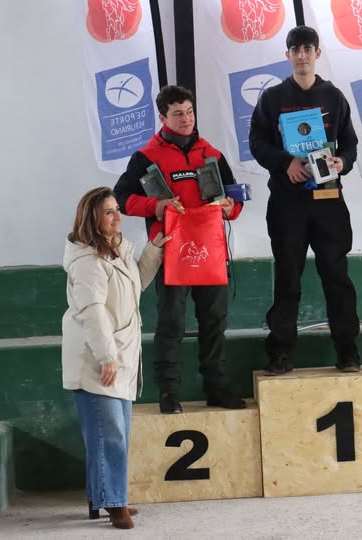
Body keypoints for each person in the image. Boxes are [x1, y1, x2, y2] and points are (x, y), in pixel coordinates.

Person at [113, 85, 245, 415]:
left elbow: (234, 199)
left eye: (189, 112)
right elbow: (120, 199)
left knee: (215, 320)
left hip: (211, 252)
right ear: (162, 118)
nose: (185, 119)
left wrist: (231, 206)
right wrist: (155, 206)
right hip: (170, 252)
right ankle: (168, 393)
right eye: (177, 114)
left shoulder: (211, 153)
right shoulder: (145, 157)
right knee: (170, 324)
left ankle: (216, 388)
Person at [248, 25, 361, 375]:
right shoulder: (272, 98)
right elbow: (257, 143)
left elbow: (350, 143)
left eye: (307, 49)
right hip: (287, 203)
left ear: (317, 53)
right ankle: (281, 353)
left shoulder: (334, 96)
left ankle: (347, 351)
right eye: (295, 49)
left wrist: (344, 162)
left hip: (328, 200)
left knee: (337, 277)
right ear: (287, 55)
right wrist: (287, 163)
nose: (301, 55)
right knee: (287, 278)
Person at [62, 186, 169, 530]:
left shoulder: (117, 252)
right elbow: (93, 313)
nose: (118, 216)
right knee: (112, 436)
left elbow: (136, 284)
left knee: (108, 434)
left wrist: (155, 249)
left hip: (119, 357)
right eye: (109, 212)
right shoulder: (88, 262)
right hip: (99, 359)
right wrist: (107, 356)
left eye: (117, 209)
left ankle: (103, 496)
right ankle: (114, 503)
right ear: (93, 219)